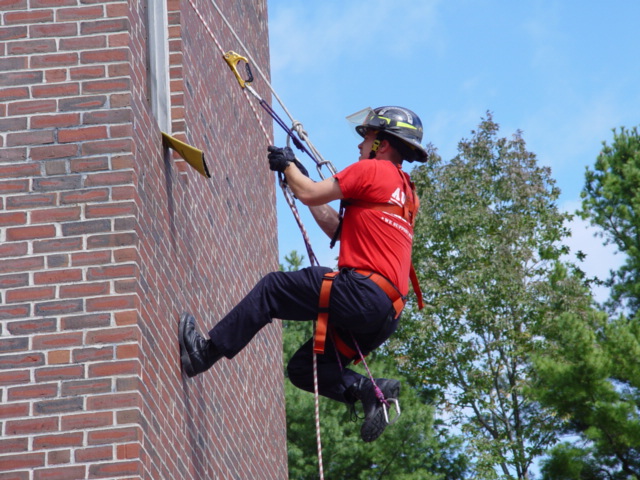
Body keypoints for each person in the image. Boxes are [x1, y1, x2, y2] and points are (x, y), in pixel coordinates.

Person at [178, 106, 428, 442]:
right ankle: (369, 390)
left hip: (362, 292)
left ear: (382, 144)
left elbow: (310, 191)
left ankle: (203, 354)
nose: (360, 145)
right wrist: (299, 178)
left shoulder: (372, 170)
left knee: (274, 288)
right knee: (305, 369)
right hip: (384, 313)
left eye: (366, 137)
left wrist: (290, 168)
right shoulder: (406, 195)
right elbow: (336, 228)